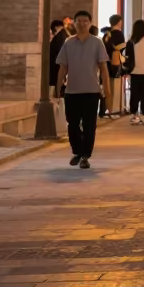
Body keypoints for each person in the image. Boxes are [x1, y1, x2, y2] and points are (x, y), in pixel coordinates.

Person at [55, 9, 110, 169]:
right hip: (72, 91)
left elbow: (104, 67)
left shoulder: (97, 42)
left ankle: (85, 155)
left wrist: (106, 89)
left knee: (89, 125)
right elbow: (63, 67)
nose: (82, 23)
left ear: (90, 23)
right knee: (72, 124)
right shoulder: (68, 43)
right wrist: (58, 89)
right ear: (74, 23)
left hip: (91, 92)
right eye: (79, 21)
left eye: (85, 21)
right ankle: (77, 151)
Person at [124, 18, 144, 124]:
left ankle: (134, 115)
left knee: (134, 94)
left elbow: (127, 57)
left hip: (134, 72)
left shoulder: (130, 42)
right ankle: (143, 115)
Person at [100, 15, 126, 118]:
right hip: (115, 63)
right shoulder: (119, 34)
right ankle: (114, 110)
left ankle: (105, 109)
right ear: (119, 22)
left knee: (106, 86)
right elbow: (122, 49)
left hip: (105, 62)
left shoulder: (106, 34)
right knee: (115, 86)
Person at [48, 19, 66, 98]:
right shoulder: (64, 35)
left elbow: (58, 52)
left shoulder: (60, 37)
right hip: (59, 67)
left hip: (57, 67)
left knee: (58, 91)